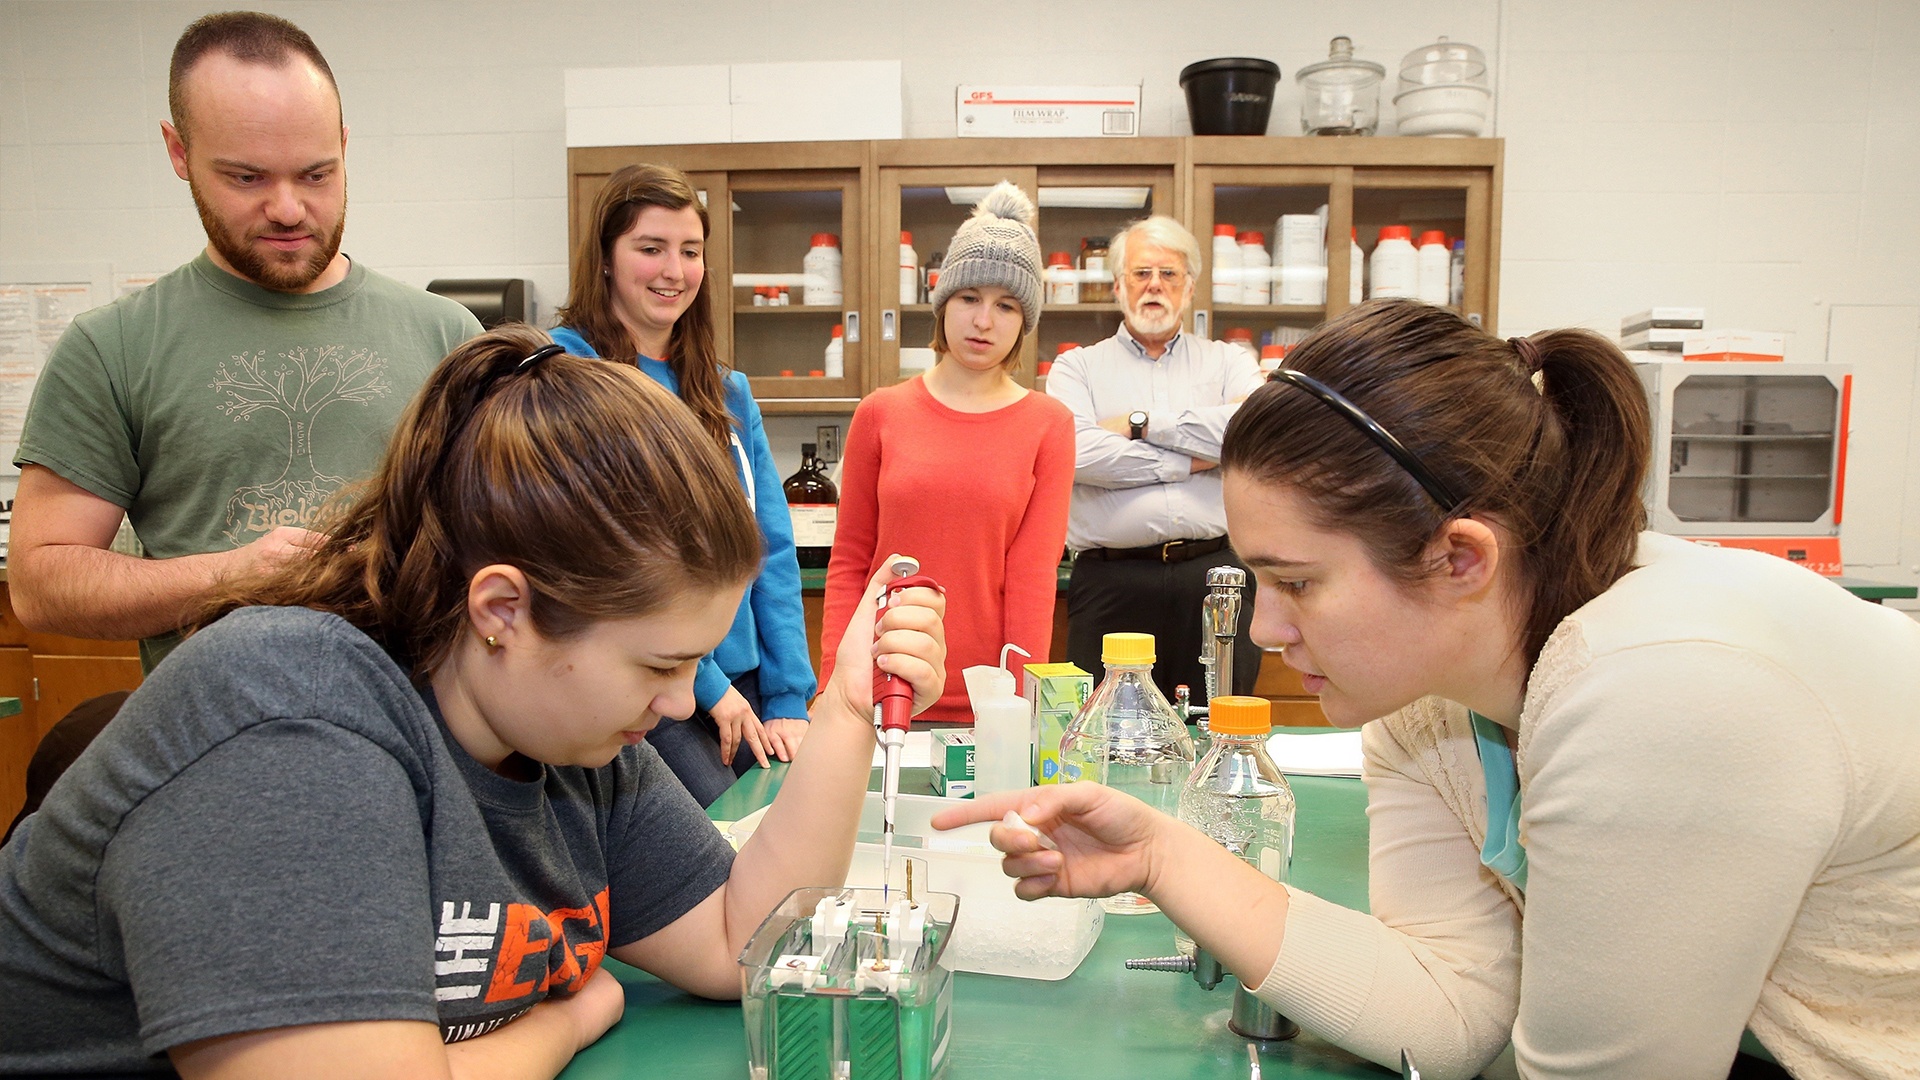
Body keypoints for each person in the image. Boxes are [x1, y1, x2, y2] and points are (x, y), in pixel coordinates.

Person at [940, 299, 1920, 1080]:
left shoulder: (1665, 692)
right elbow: (1450, 1010)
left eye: (1297, 582)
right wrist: (1163, 854)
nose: (1271, 629)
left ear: (1460, 558)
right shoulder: (1429, 696)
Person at [0, 325, 947, 1077]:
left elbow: (746, 938)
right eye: (659, 665)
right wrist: (567, 1020)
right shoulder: (288, 721)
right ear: (502, 609)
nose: (675, 706)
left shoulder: (569, 746)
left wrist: (848, 713)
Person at [7, 11, 481, 675]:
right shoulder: (111, 348)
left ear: (344, 145)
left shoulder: (448, 335)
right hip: (225, 744)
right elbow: (40, 584)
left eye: (317, 174)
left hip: (420, 739)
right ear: (179, 152)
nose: (288, 209)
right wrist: (238, 575)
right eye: (247, 177)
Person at [549, 163, 813, 804]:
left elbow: (768, 548)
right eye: (650, 248)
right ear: (606, 259)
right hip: (645, 687)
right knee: (718, 862)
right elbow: (606, 554)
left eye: (689, 252)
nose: (673, 271)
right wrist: (706, 684)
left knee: (783, 844)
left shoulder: (725, 390)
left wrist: (789, 698)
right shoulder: (568, 372)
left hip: (746, 683)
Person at [821, 182, 1074, 722]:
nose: (984, 321)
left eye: (1006, 306)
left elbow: (1032, 579)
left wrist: (1022, 707)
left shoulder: (1048, 425)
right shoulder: (880, 413)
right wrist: (831, 686)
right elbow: (849, 565)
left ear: (1024, 323)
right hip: (878, 691)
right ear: (942, 304)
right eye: (969, 298)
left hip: (988, 705)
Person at [1045, 215, 1265, 703]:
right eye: (1142, 273)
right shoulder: (1076, 368)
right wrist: (1194, 459)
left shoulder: (1229, 361)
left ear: (1189, 289)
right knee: (1103, 739)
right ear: (1119, 286)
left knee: (1218, 729)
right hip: (1110, 583)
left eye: (1169, 275)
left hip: (1215, 579)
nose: (1154, 287)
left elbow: (1252, 433)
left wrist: (1140, 423)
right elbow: (1078, 453)